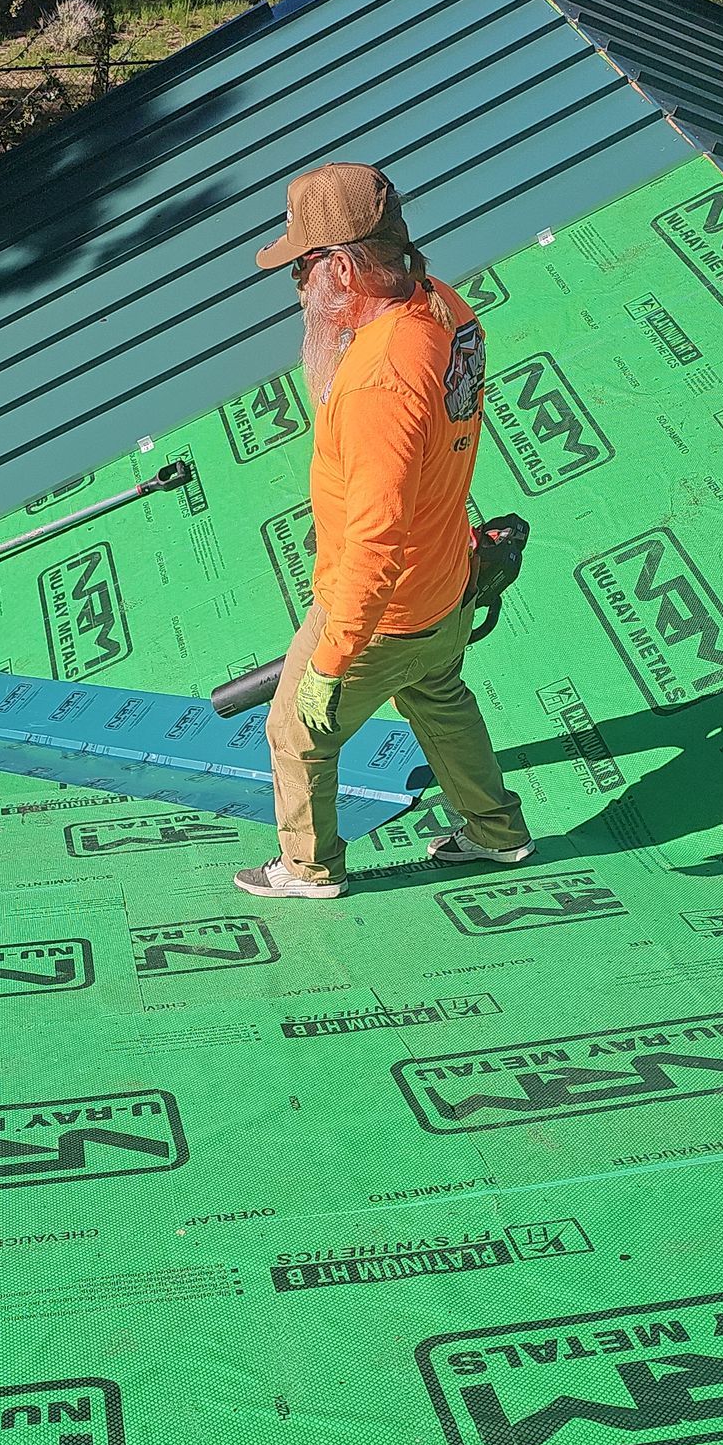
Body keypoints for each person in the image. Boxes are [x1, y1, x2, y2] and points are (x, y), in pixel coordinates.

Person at [235, 162, 531, 901]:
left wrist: (334, 659)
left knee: (296, 734)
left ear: (340, 267)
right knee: (438, 691)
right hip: (444, 586)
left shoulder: (376, 379)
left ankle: (308, 868)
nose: (299, 290)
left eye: (301, 271)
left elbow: (375, 538)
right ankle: (496, 832)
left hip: (381, 609)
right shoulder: (446, 310)